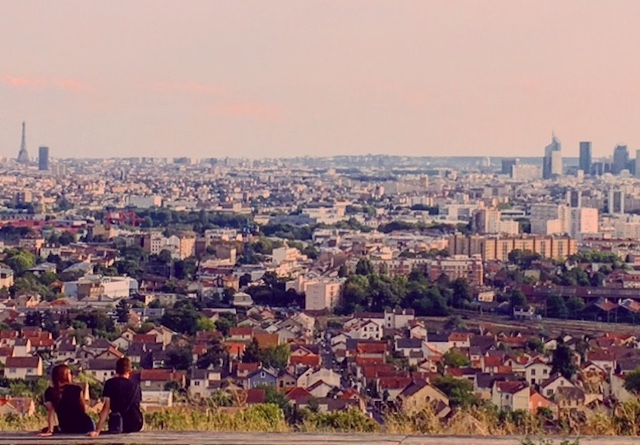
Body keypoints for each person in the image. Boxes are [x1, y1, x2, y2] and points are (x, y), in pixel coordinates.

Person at [89, 357, 143, 437]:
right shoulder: (136, 386)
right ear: (130, 370)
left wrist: (97, 430)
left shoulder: (110, 384)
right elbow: (137, 406)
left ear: (116, 370)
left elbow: (106, 408)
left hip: (118, 424)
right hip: (136, 424)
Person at [39, 364, 95, 436]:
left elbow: (51, 412)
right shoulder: (76, 389)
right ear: (64, 375)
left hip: (66, 426)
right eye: (69, 373)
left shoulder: (49, 392)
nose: (71, 375)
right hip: (84, 425)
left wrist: (50, 430)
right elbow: (83, 409)